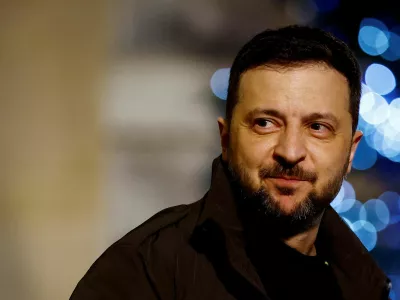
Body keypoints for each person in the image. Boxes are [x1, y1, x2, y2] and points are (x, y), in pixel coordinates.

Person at [70, 25, 392, 300]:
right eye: (266, 123)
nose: (291, 151)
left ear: (351, 152)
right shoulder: (144, 272)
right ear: (226, 140)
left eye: (318, 127)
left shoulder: (362, 284)